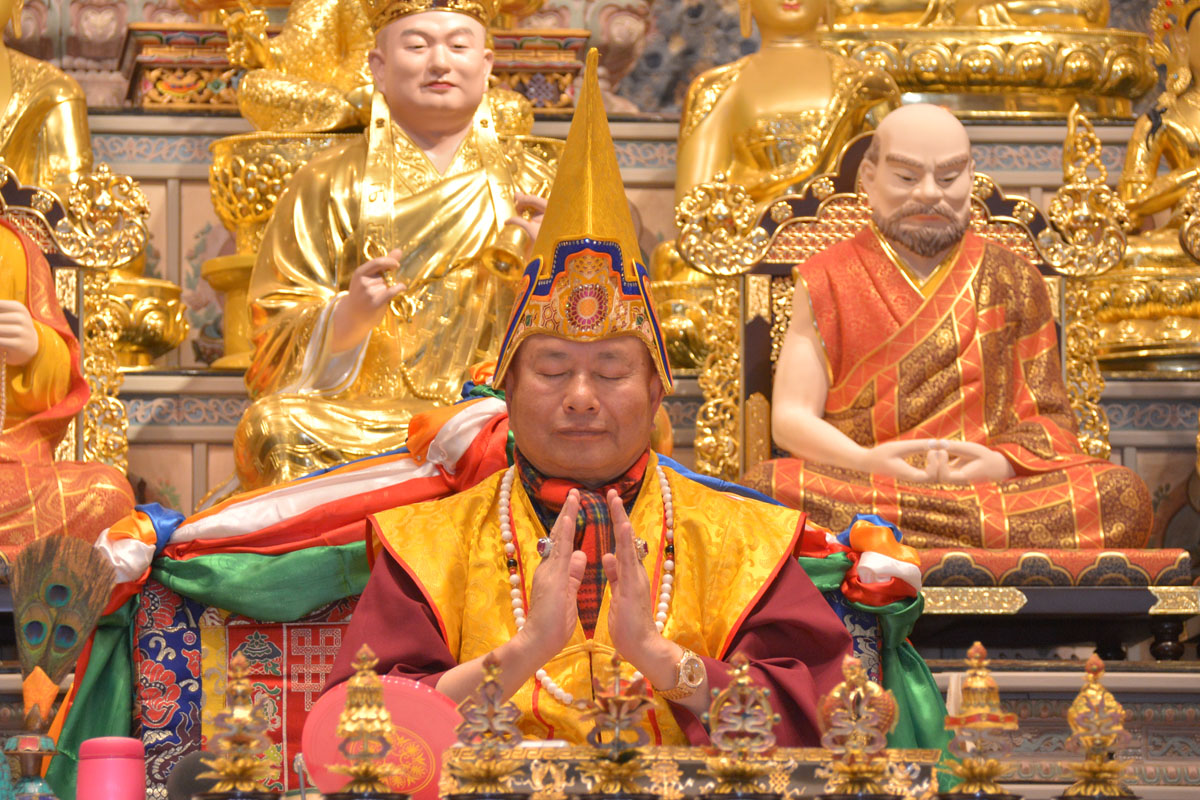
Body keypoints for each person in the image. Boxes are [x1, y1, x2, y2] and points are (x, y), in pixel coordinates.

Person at [324, 51, 853, 745]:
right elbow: (356, 734)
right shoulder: (429, 544)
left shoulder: (743, 537)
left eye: (609, 371)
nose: (580, 396)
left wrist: (660, 659)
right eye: (551, 370)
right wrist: (522, 653)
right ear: (506, 388)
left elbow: (825, 719)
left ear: (658, 390)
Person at [744, 103, 1152, 550]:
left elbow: (1051, 419)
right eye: (906, 177)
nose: (928, 194)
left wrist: (999, 464)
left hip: (989, 489)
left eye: (948, 177)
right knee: (766, 490)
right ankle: (945, 539)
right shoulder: (827, 276)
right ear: (869, 179)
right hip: (867, 483)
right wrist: (866, 461)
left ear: (970, 178)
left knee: (1121, 495)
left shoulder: (1015, 278)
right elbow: (791, 419)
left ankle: (885, 541)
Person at [232, 0, 557, 491]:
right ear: (378, 67)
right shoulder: (326, 180)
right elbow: (271, 333)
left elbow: (603, 322)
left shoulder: (536, 183)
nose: (440, 62)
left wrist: (550, 273)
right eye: (418, 46)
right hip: (366, 420)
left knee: (615, 423)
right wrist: (346, 318)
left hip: (497, 411)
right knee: (273, 429)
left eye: (458, 46)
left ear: (486, 65)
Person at [0, 219, 135, 560]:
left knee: (108, 492)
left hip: (14, 467)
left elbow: (62, 390)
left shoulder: (16, 247)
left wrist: (36, 348)